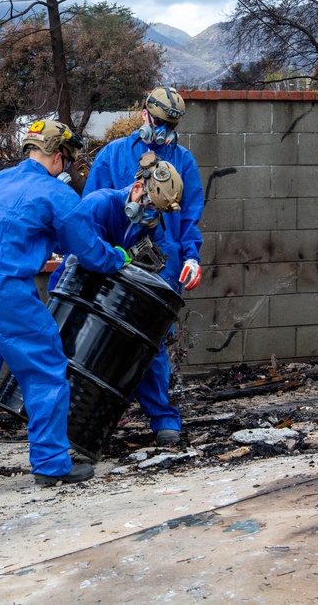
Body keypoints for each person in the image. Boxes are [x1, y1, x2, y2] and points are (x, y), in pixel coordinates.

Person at [0, 119, 130, 505]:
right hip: (5, 292)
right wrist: (118, 256)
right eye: (67, 161)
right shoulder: (54, 194)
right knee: (45, 371)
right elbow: (88, 251)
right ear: (59, 156)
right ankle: (51, 463)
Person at [83, 87, 205, 446]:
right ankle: (98, 415)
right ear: (143, 116)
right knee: (103, 339)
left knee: (152, 344)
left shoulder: (183, 161)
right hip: (116, 261)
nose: (164, 132)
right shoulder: (113, 156)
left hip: (164, 265)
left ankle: (162, 417)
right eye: (159, 123)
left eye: (171, 125)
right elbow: (91, 211)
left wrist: (193, 256)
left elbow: (191, 217)